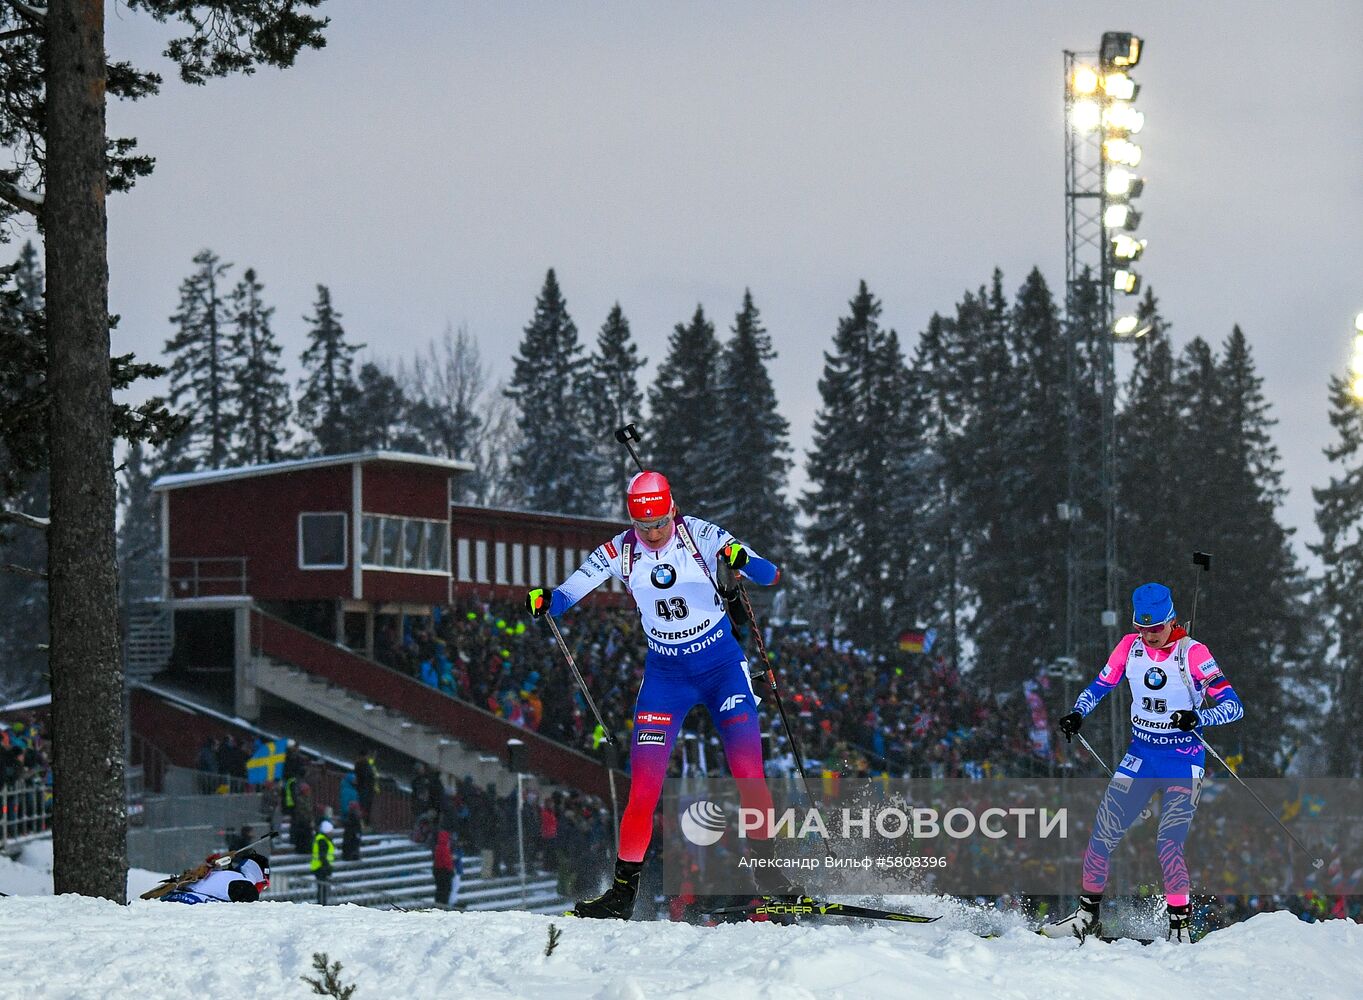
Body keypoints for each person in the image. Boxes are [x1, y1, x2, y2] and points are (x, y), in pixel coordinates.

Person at [526, 470, 784, 920]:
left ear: (672, 509)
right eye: (643, 526)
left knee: (748, 772)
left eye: (660, 523)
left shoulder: (700, 534)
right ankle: (621, 896)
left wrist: (739, 556)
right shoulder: (620, 551)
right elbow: (568, 593)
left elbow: (769, 573)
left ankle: (773, 884)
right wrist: (547, 599)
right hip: (666, 675)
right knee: (643, 789)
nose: (653, 534)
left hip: (721, 666)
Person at [1042, 582, 1244, 943]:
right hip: (1140, 757)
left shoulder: (1193, 654)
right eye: (1142, 628)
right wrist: (1077, 713)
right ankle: (1086, 918)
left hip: (1183, 761)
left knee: (1168, 842)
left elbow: (1234, 706)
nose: (1149, 636)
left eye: (1155, 629)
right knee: (1102, 833)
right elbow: (1100, 685)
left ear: (1171, 621)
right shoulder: (1128, 648)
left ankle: (1179, 927)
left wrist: (1200, 718)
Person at [158, 851, 271, 904]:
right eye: (264, 886)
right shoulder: (246, 887)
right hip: (190, 904)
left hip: (170, 896)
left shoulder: (219, 872)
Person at [312, 819, 337, 905]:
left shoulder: (322, 839)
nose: (332, 833)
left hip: (320, 867)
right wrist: (327, 868)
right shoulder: (323, 840)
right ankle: (322, 905)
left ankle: (322, 904)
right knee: (323, 889)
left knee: (322, 889)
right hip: (321, 868)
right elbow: (322, 856)